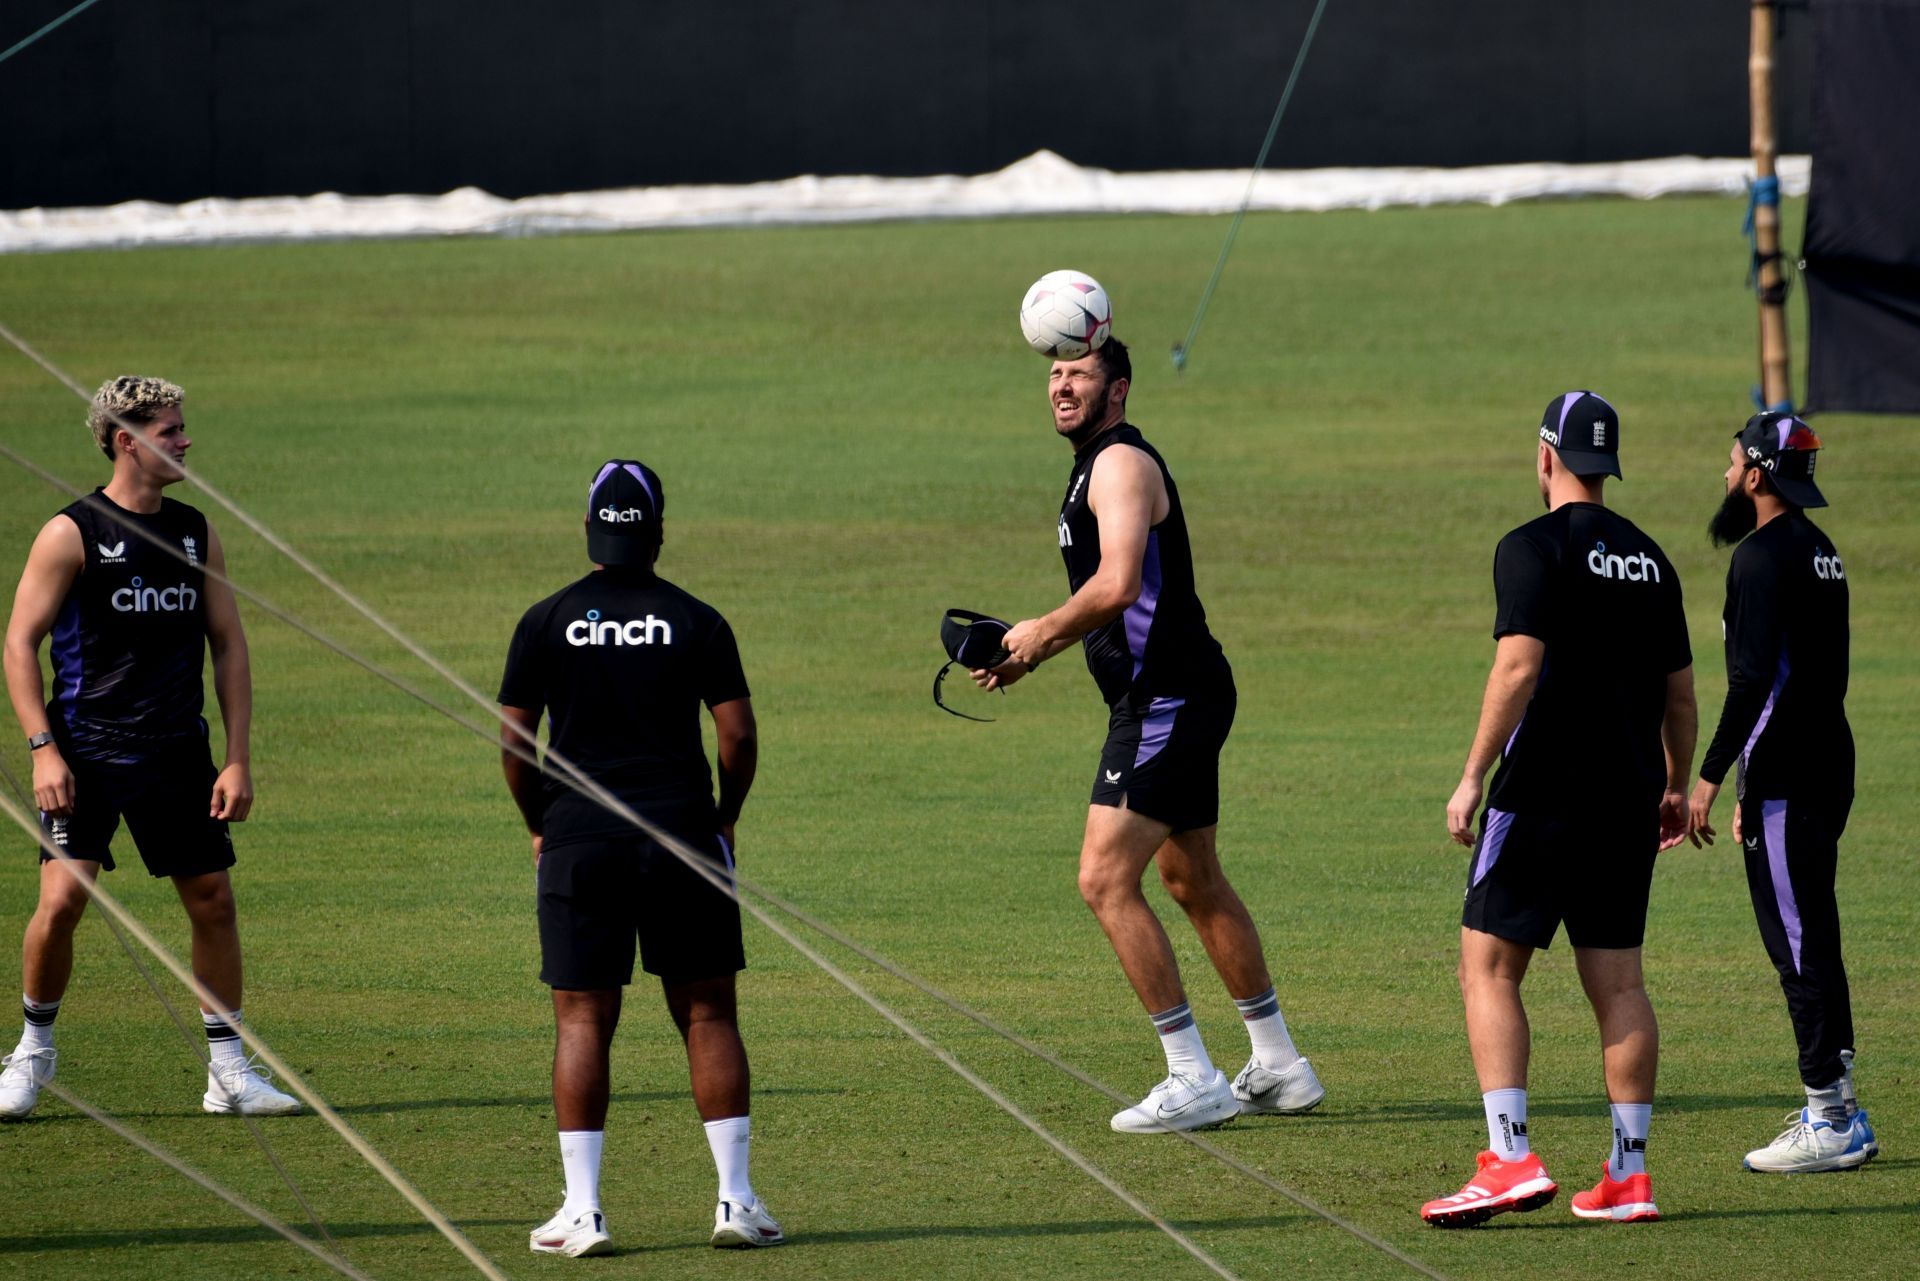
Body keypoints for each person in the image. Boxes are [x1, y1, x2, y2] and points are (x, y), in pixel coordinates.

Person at [976, 336, 1325, 1134]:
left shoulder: (1122, 464)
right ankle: (1279, 1065)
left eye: (1080, 375)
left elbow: (1119, 582)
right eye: (1055, 374)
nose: (1062, 386)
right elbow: (1116, 603)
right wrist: (1032, 652)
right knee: (1193, 879)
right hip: (1172, 692)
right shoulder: (1091, 464)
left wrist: (1041, 631)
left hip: (1166, 699)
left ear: (1120, 389)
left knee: (1103, 879)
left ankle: (1190, 1075)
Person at [1425, 391, 1694, 1227]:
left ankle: (1508, 1156)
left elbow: (1517, 668)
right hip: (1626, 801)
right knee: (1620, 984)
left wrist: (1473, 774)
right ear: (1606, 465)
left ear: (1545, 456)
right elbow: (1680, 694)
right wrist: (1675, 784)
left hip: (1541, 792)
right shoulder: (1652, 559)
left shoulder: (1529, 547)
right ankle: (1629, 1173)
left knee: (1489, 966)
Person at [499, 459, 779, 1258]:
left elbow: (516, 743)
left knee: (584, 1017)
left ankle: (583, 1211)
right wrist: (722, 816)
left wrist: (540, 821)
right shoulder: (697, 619)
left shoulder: (545, 619)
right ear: (658, 531)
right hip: (684, 839)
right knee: (708, 1012)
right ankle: (736, 1200)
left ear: (589, 529)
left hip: (579, 841)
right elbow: (739, 734)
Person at [1, 375, 298, 1120]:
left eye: (182, 426)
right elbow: (18, 643)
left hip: (175, 752)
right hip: (86, 754)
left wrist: (236, 756)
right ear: (125, 440)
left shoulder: (195, 532)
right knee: (64, 898)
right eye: (170, 430)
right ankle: (31, 1055)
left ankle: (227, 1073)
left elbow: (227, 644)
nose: (186, 440)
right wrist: (42, 749)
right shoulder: (71, 533)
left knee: (213, 900)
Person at [1688, 413, 1876, 1173]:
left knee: (1795, 940)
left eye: (1733, 463)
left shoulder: (1760, 559)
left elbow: (1752, 684)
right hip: (1826, 765)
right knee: (1815, 929)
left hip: (1789, 777)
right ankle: (1839, 1104)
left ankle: (1828, 1115)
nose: (1726, 476)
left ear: (1758, 475)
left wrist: (1708, 777)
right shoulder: (1822, 552)